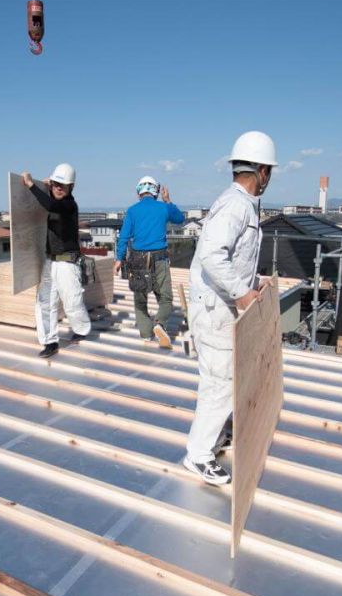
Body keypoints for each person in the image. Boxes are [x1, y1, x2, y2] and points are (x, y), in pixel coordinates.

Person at [182, 131, 276, 485]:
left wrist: (252, 284)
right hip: (216, 309)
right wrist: (240, 293)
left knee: (224, 377)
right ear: (262, 171)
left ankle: (214, 436)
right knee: (220, 382)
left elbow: (231, 257)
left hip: (221, 304)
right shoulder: (237, 206)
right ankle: (199, 455)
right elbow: (210, 255)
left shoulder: (240, 204)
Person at [22, 163, 92, 357]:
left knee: (72, 302)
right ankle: (49, 342)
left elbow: (53, 205)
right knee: (45, 303)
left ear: (71, 187)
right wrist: (46, 187)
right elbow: (49, 201)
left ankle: (81, 330)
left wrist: (31, 185)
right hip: (50, 261)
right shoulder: (52, 198)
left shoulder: (69, 205)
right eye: (56, 184)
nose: (59, 188)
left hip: (67, 262)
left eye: (64, 185)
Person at [115, 176, 185, 348]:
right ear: (155, 191)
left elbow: (123, 237)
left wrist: (118, 259)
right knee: (165, 298)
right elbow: (180, 219)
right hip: (159, 258)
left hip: (137, 260)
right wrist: (168, 200)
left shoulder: (132, 211)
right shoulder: (163, 208)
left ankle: (146, 334)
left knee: (140, 300)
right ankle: (159, 323)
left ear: (139, 191)